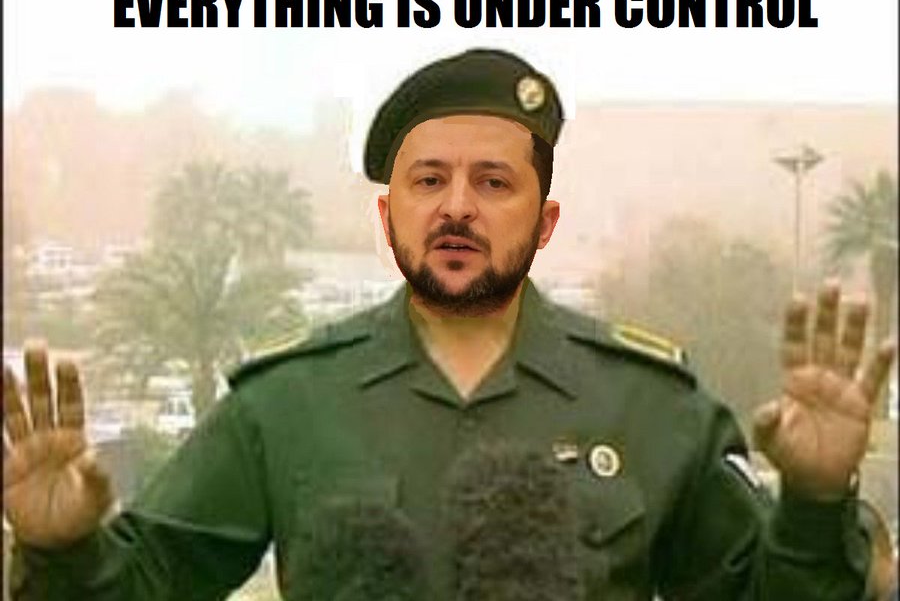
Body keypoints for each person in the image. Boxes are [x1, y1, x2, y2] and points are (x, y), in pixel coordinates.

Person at [3, 48, 896, 600]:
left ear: (544, 221)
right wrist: (62, 549)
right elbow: (145, 586)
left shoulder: (652, 405)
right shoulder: (286, 404)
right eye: (429, 181)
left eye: (493, 183)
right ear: (388, 212)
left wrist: (816, 503)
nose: (457, 207)